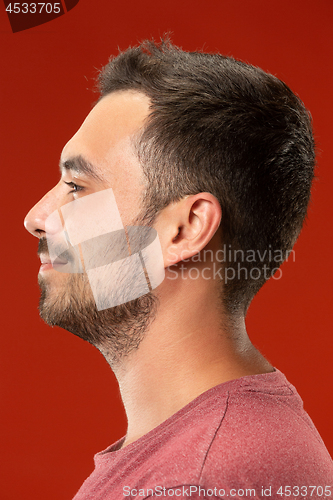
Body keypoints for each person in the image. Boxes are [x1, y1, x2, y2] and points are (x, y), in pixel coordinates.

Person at [24, 39, 333, 499]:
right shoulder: (223, 452)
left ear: (186, 229)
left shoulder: (194, 480)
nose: (35, 218)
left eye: (76, 185)